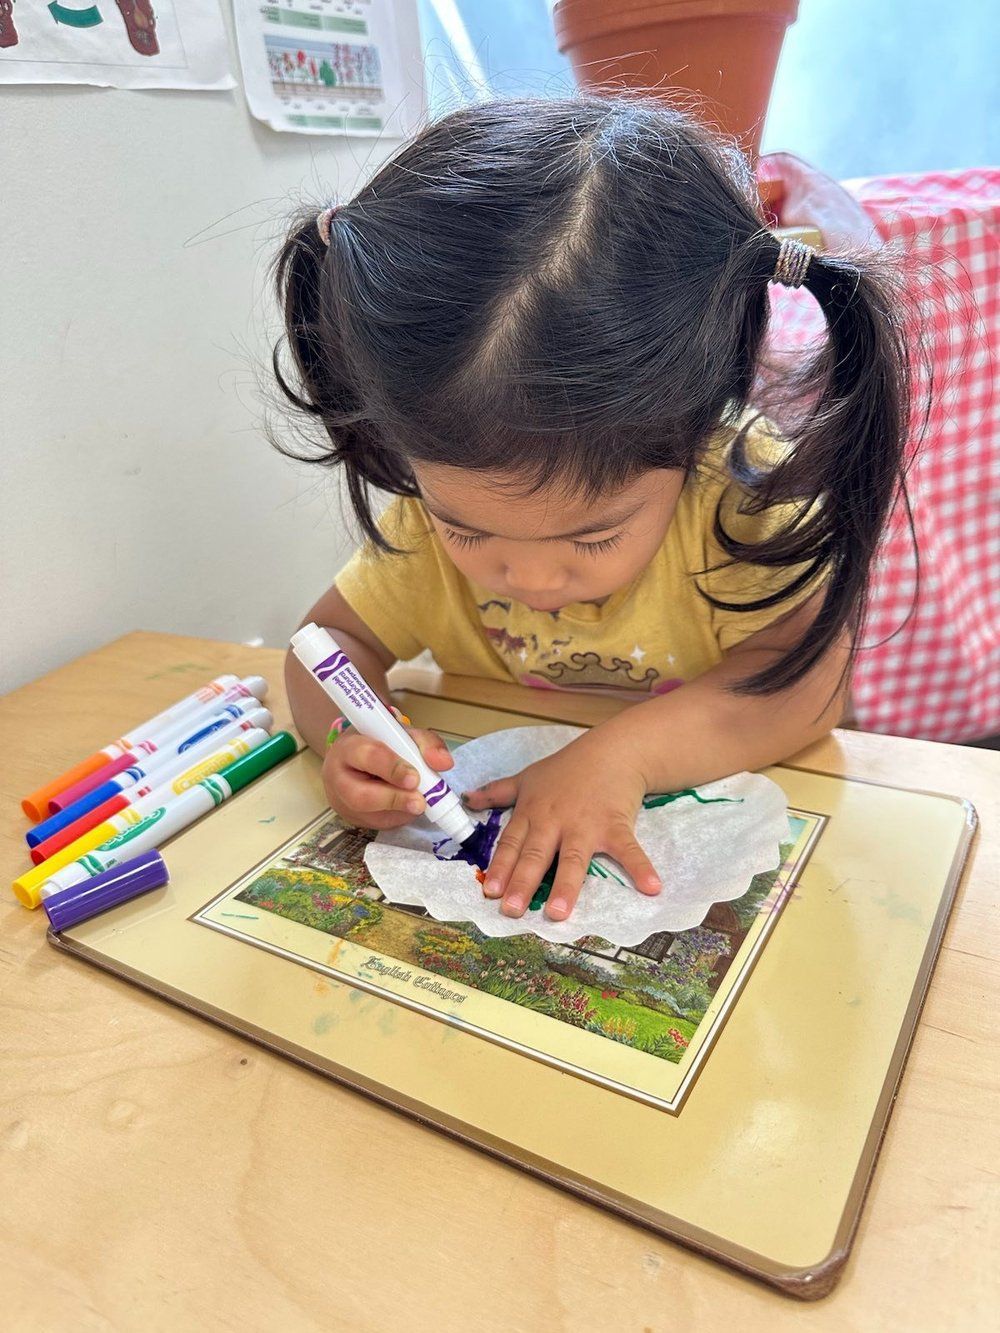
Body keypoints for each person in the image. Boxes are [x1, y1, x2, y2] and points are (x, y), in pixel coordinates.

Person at [274, 96, 910, 924]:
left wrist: (626, 755)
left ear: (691, 434)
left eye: (594, 534)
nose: (532, 576)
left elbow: (813, 685)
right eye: (468, 526)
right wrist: (351, 740)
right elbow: (330, 648)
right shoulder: (419, 528)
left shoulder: (745, 498)